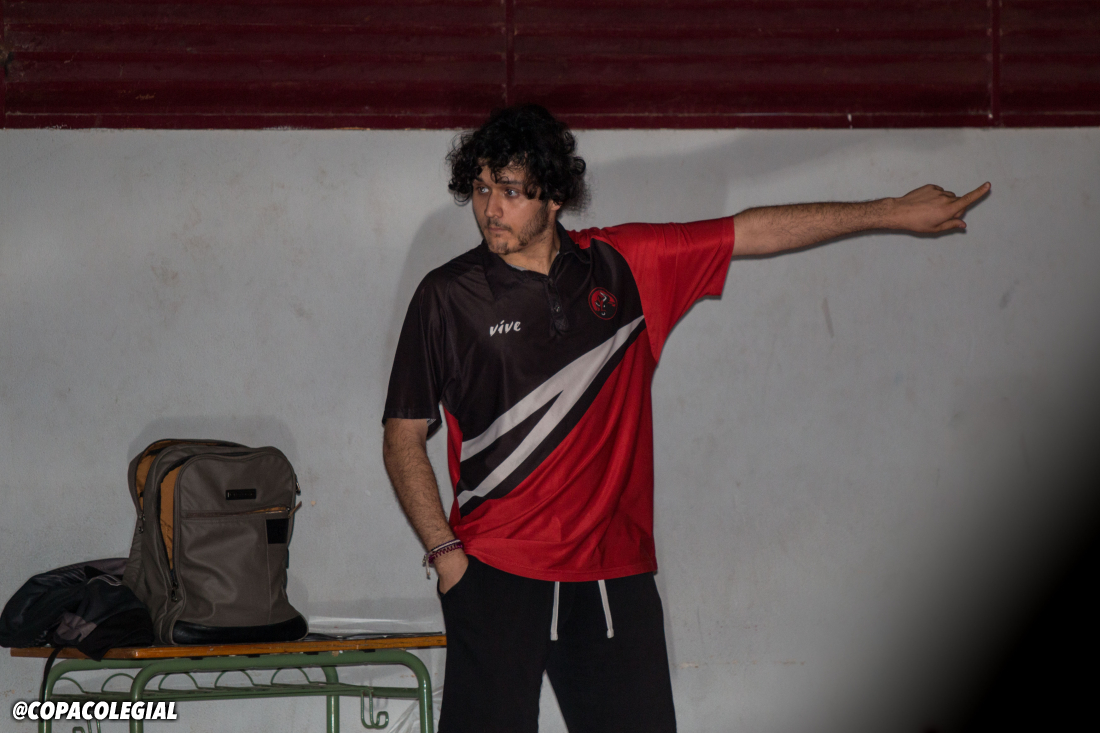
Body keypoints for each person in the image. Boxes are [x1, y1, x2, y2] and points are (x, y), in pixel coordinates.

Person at [382, 104, 989, 733]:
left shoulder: (625, 266)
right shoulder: (446, 296)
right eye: (481, 189)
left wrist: (890, 212)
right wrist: (447, 556)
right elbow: (402, 437)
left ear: (555, 195)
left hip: (613, 573)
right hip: (495, 573)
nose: (490, 208)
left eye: (510, 191)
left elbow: (749, 231)